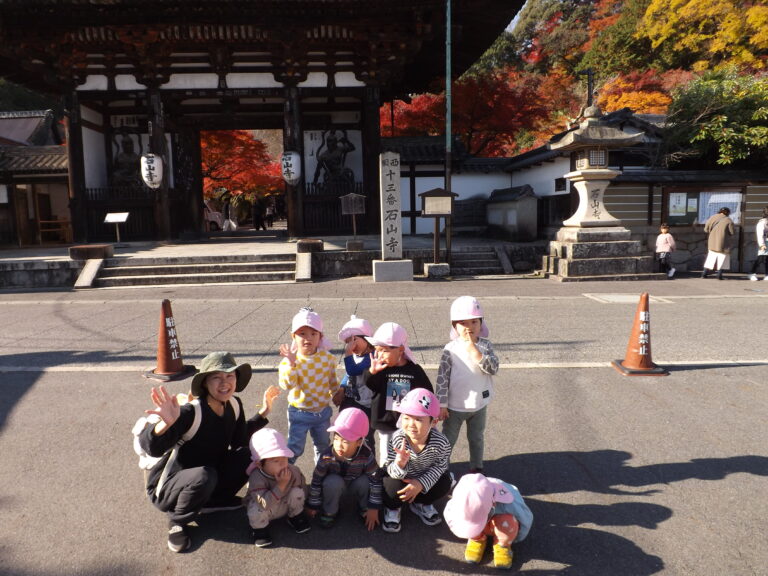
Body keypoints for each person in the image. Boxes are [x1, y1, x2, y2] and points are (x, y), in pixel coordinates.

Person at [137, 351, 280, 553]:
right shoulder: (191, 411)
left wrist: (263, 412)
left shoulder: (234, 404)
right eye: (216, 377)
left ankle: (214, 501)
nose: (225, 382)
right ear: (205, 383)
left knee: (249, 453)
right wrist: (164, 425)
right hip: (170, 487)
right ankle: (177, 520)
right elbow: (151, 447)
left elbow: (239, 440)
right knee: (204, 475)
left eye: (230, 376)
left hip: (207, 476)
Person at [436, 296, 499, 474]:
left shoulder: (486, 346)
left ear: (481, 323)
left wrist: (475, 351)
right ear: (454, 325)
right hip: (455, 407)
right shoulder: (450, 349)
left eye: (474, 322)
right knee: (448, 439)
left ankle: (476, 467)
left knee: (476, 437)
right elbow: (442, 377)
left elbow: (493, 368)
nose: (469, 327)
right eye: (463, 323)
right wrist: (441, 404)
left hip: (479, 404)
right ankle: (441, 469)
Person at [380, 388, 452, 533]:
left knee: (445, 481)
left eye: (418, 419)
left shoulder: (441, 442)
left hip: (424, 478)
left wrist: (420, 484)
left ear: (434, 422)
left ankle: (421, 503)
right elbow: (390, 469)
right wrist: (400, 463)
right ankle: (393, 508)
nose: (411, 424)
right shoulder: (397, 438)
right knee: (389, 484)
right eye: (406, 418)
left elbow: (440, 467)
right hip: (402, 479)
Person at [362, 322, 433, 464]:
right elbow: (370, 384)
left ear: (400, 350)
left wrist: (430, 413)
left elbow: (426, 392)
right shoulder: (381, 368)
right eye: (378, 350)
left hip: (408, 424)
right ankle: (385, 480)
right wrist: (372, 372)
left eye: (385, 351)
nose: (380, 355)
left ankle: (403, 475)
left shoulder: (414, 370)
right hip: (386, 421)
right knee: (387, 457)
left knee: (408, 455)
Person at [278, 307, 341, 464]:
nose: (308, 338)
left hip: (322, 413)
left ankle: (321, 476)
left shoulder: (327, 358)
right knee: (295, 447)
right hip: (299, 412)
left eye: (314, 333)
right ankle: (284, 472)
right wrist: (292, 364)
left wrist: (338, 395)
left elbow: (332, 380)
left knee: (323, 447)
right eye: (302, 334)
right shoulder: (290, 360)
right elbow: (287, 384)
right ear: (293, 336)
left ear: (320, 336)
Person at [305, 408, 382, 531]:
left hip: (355, 483)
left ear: (359, 442)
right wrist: (313, 504)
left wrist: (374, 507)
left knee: (366, 481)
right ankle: (330, 511)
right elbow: (316, 480)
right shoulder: (327, 456)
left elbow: (376, 481)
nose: (338, 445)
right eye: (336, 439)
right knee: (332, 481)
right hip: (335, 486)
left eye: (345, 441)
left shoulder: (366, 455)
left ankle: (364, 507)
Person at [443, 473, 534, 570]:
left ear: (493, 503)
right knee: (467, 519)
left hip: (500, 517)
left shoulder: (510, 504)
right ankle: (477, 538)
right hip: (485, 514)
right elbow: (450, 514)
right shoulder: (459, 501)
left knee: (507, 522)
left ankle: (502, 545)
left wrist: (516, 537)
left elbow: (525, 518)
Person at [245, 428, 310, 547]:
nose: (283, 464)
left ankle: (295, 516)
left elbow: (302, 487)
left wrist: (307, 504)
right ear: (259, 464)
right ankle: (259, 530)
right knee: (255, 508)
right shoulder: (256, 478)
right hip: (266, 509)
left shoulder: (292, 470)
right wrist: (281, 485)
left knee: (297, 492)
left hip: (284, 504)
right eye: (276, 461)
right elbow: (264, 503)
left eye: (284, 458)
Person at [337, 315, 375, 448]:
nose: (351, 346)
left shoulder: (372, 356)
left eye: (353, 340)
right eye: (347, 342)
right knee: (345, 430)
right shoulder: (355, 355)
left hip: (367, 405)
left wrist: (347, 355)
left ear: (366, 338)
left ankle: (368, 464)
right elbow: (348, 374)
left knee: (366, 436)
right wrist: (341, 388)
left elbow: (353, 370)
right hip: (352, 399)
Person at [702, 207, 735, 279]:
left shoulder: (712, 217)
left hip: (712, 242)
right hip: (723, 243)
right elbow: (732, 232)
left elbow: (706, 229)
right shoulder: (728, 220)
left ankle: (704, 274)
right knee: (722, 258)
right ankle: (719, 275)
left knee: (710, 258)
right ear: (727, 213)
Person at [749, 207, 768, 281]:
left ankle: (767, 274)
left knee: (767, 259)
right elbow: (760, 234)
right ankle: (752, 273)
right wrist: (762, 244)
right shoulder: (762, 223)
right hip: (764, 242)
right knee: (760, 258)